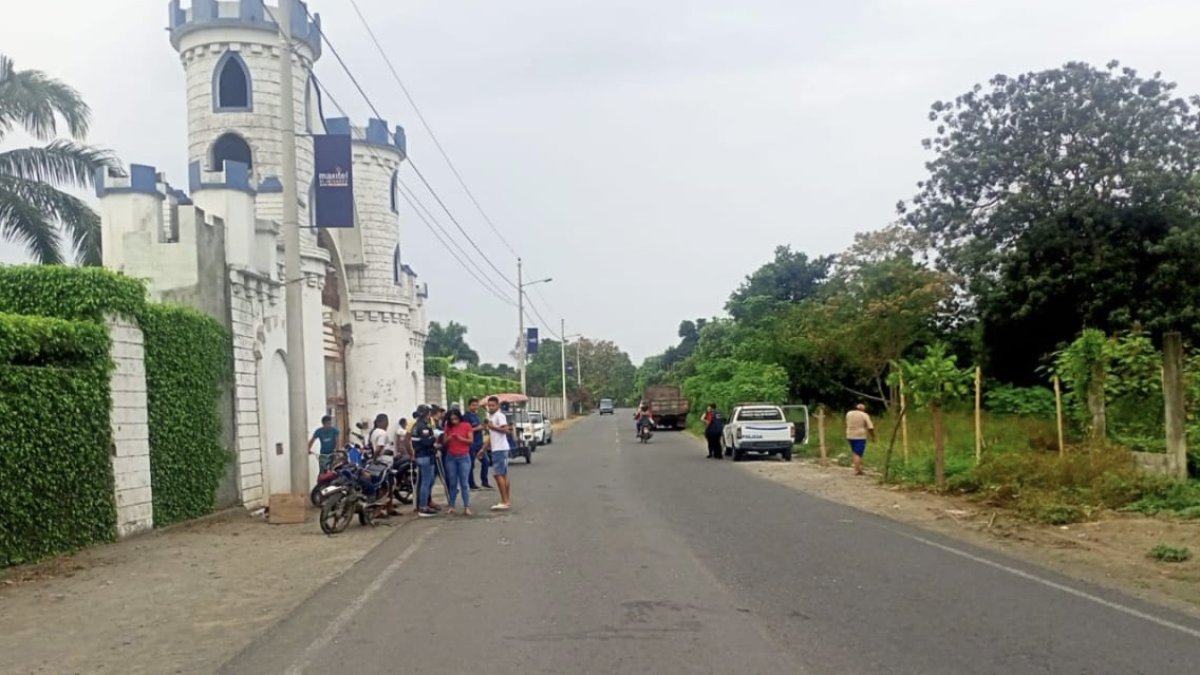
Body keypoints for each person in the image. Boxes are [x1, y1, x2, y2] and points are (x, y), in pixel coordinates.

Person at [443, 409, 475, 515]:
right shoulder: (448, 427)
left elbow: (470, 441)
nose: (454, 421)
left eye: (455, 419)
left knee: (464, 483)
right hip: (451, 457)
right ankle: (452, 506)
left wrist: (460, 438)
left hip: (463, 457)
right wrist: (449, 438)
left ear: (459, 417)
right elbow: (444, 442)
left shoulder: (466, 425)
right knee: (452, 483)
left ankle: (467, 506)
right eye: (452, 419)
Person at [411, 405, 440, 517]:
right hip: (425, 455)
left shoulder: (415, 425)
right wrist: (435, 437)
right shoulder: (422, 426)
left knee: (427, 481)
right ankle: (423, 507)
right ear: (426, 414)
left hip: (421, 455)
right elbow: (426, 442)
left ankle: (424, 504)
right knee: (426, 482)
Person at [485, 396, 512, 511]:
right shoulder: (492, 416)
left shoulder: (499, 416)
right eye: (489, 405)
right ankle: (506, 500)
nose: (491, 407)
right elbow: (492, 436)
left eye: (493, 405)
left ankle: (504, 501)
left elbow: (506, 430)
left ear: (498, 406)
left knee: (498, 475)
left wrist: (493, 427)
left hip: (500, 449)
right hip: (498, 448)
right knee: (503, 474)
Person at [466, 398, 492, 490]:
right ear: (469, 406)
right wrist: (478, 428)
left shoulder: (476, 416)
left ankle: (484, 481)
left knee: (486, 461)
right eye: (473, 405)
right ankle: (471, 484)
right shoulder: (466, 417)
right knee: (471, 465)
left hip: (479, 443)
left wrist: (484, 428)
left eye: (476, 405)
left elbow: (479, 427)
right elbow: (466, 430)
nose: (475, 407)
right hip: (471, 444)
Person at [845, 403, 876, 476]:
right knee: (858, 453)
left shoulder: (849, 413)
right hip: (860, 436)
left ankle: (858, 468)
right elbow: (870, 427)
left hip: (849, 435)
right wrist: (873, 436)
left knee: (855, 452)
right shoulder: (864, 415)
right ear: (863, 409)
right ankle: (856, 470)